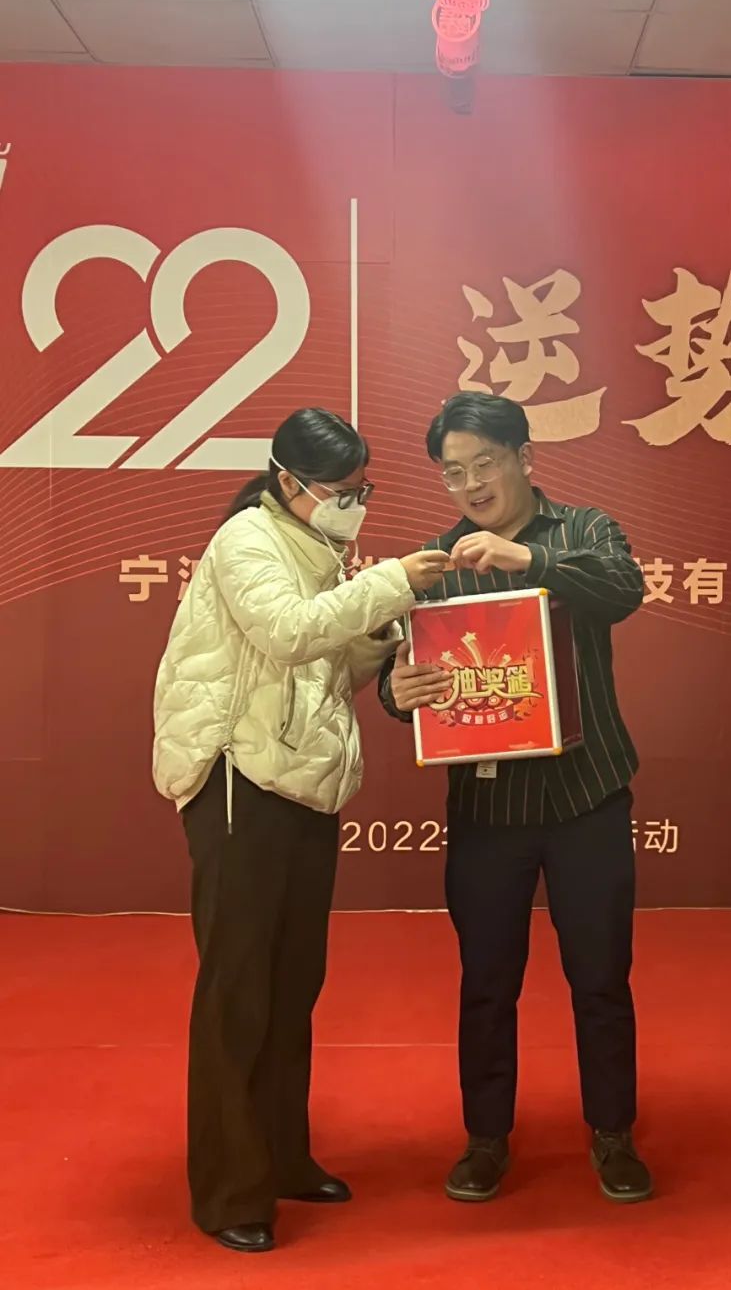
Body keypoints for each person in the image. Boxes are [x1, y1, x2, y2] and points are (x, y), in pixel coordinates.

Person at [153, 408, 450, 1253]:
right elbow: (286, 633)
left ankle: (281, 1154)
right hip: (239, 780)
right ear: (288, 481)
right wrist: (391, 584)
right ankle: (228, 1189)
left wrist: (384, 645)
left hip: (302, 783)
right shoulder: (246, 539)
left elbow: (323, 666)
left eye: (363, 489)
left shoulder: (320, 549)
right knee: (240, 988)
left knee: (292, 984)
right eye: (341, 490)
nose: (355, 503)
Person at [380, 392, 652, 1204]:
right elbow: (402, 676)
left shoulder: (585, 530)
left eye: (484, 464)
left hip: (586, 799)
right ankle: (485, 1138)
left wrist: (528, 561)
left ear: (524, 458)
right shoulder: (435, 562)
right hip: (488, 813)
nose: (470, 485)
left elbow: (623, 589)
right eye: (452, 472)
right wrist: (398, 691)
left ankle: (613, 1133)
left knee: (600, 976)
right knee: (487, 981)